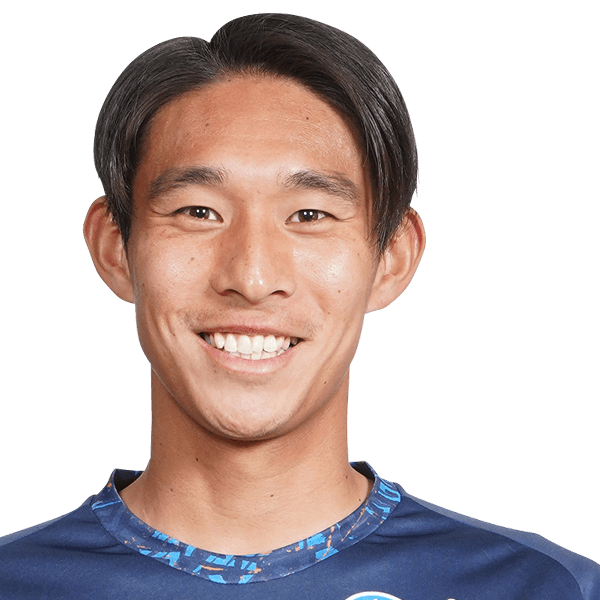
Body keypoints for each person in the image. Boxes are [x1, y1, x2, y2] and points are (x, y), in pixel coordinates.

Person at [1, 13, 598, 600]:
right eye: (198, 211)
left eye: (309, 215)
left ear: (392, 258)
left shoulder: (542, 588)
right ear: (114, 249)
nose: (252, 278)